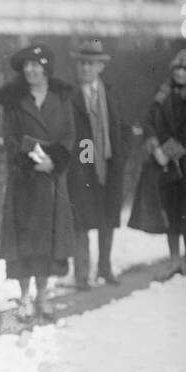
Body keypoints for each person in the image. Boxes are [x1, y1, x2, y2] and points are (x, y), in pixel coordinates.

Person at [0, 44, 76, 323]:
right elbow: (9, 140)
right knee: (24, 243)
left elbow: (69, 135)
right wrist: (30, 162)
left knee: (47, 243)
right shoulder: (13, 102)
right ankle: (25, 299)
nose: (30, 70)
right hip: (24, 183)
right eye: (26, 65)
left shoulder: (61, 99)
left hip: (51, 181)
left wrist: (54, 162)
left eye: (36, 65)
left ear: (46, 68)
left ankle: (43, 297)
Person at [128, 48, 186, 276]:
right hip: (163, 163)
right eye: (178, 69)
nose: (181, 74)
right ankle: (174, 260)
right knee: (170, 212)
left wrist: (170, 151)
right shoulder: (162, 93)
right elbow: (149, 121)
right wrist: (155, 148)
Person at [66, 39, 130, 289]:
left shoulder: (110, 93)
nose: (85, 68)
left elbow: (122, 127)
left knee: (108, 218)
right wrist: (84, 161)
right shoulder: (70, 96)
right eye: (81, 63)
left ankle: (105, 268)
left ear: (100, 67)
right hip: (83, 168)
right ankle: (82, 275)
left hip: (110, 165)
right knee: (81, 221)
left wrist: (121, 153)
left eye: (90, 64)